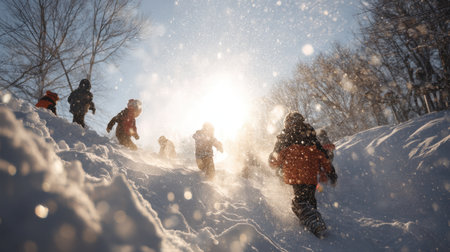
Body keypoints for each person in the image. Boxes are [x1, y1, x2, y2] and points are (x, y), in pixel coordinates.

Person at [268, 112, 337, 238]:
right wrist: (331, 172)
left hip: (295, 176)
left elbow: (274, 160)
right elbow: (323, 157)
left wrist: (272, 160)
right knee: (310, 199)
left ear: (287, 123)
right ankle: (314, 218)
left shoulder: (285, 137)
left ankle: (314, 223)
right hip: (311, 175)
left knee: (300, 201)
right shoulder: (311, 135)